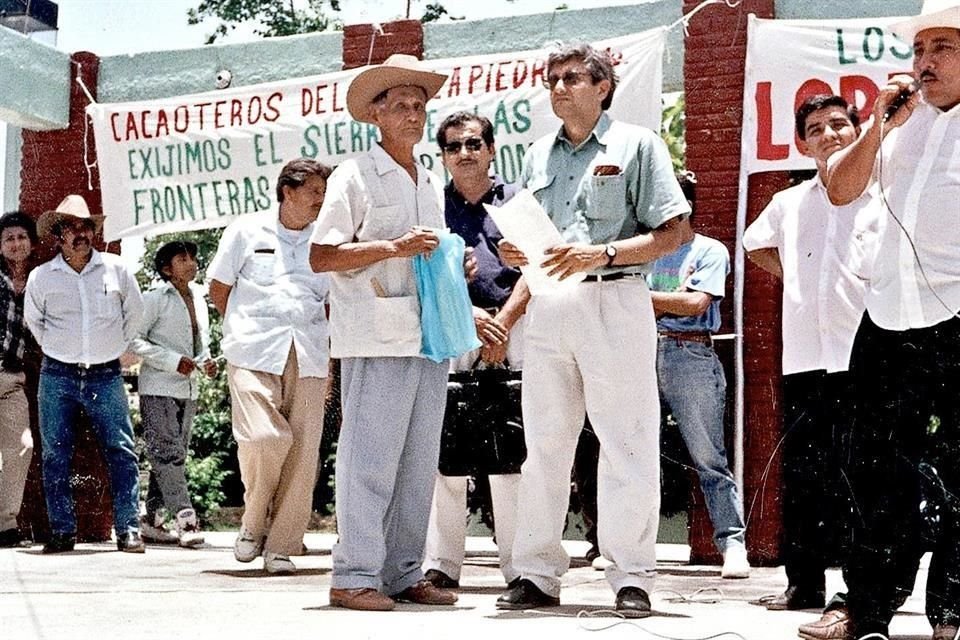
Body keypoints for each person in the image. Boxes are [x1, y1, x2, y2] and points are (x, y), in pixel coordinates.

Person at [494, 42, 689, 617]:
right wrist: (517, 254)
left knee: (626, 441)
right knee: (545, 445)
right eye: (552, 79)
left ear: (603, 86)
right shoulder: (536, 156)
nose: (559, 87)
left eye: (573, 77)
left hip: (615, 299)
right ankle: (535, 574)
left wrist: (599, 253)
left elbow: (674, 230)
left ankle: (631, 576)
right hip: (549, 308)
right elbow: (538, 245)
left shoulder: (637, 145)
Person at [799, 4, 960, 638]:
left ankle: (951, 608)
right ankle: (865, 609)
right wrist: (877, 123)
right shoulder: (901, 125)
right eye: (920, 50)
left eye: (942, 48)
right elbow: (839, 189)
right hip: (890, 315)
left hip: (957, 319)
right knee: (871, 469)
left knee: (955, 467)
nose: (924, 63)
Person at [310, 54, 461, 612]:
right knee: (368, 459)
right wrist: (395, 248)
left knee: (418, 460)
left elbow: (427, 251)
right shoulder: (353, 175)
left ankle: (402, 572)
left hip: (428, 333)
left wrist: (450, 263)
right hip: (375, 334)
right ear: (375, 114)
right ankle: (352, 575)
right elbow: (322, 254)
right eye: (401, 104)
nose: (413, 113)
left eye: (420, 105)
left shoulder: (429, 177)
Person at [743, 95, 880, 613]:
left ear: (857, 130)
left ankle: (860, 591)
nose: (828, 135)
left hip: (864, 350)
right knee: (804, 473)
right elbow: (756, 246)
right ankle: (804, 585)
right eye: (816, 128)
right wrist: (799, 279)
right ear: (802, 143)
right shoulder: (789, 202)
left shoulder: (878, 189)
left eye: (839, 124)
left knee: (861, 471)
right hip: (804, 354)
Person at [207, 158, 332, 575]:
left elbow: (333, 301)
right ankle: (253, 521)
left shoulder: (327, 238)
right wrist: (245, 327)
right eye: (314, 191)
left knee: (302, 450)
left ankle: (281, 545)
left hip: (310, 351)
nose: (321, 199)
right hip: (252, 350)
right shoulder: (246, 230)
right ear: (288, 191)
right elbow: (219, 289)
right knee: (263, 439)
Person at [422, 111, 529, 590]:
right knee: (446, 449)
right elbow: (423, 273)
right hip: (454, 325)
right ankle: (442, 564)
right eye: (452, 147)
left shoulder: (520, 201)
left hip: (517, 325)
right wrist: (469, 316)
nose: (463, 154)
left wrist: (503, 321)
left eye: (472, 144)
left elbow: (540, 266)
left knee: (512, 449)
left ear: (490, 149)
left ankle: (519, 566)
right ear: (443, 156)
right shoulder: (432, 206)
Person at [24, 194, 145, 554]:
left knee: (121, 450)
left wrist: (109, 349)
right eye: (72, 227)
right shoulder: (42, 277)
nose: (81, 233)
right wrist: (66, 350)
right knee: (55, 455)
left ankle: (128, 530)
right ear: (59, 234)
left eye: (86, 227)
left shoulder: (117, 269)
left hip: (105, 374)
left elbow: (134, 315)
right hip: (57, 374)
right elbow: (37, 325)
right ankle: (62, 531)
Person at [648, 172, 749, 579]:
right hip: (641, 349)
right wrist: (662, 302)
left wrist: (639, 298)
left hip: (690, 351)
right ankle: (628, 548)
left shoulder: (708, 250)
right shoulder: (645, 249)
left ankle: (733, 544)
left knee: (708, 457)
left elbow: (695, 304)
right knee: (634, 453)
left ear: (686, 207)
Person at [130, 240, 217, 548]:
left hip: (188, 388)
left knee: (172, 456)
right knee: (168, 454)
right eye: (183, 259)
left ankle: (152, 519)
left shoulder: (199, 298)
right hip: (159, 387)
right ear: (167, 269)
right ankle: (186, 520)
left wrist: (205, 362)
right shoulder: (154, 298)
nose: (191, 263)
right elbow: (133, 340)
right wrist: (170, 360)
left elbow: (199, 344)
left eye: (193, 257)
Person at [0, 212, 39, 548]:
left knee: (22, 445)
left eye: (21, 237)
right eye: (8, 238)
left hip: (12, 377)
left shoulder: (40, 281)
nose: (16, 243)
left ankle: (6, 524)